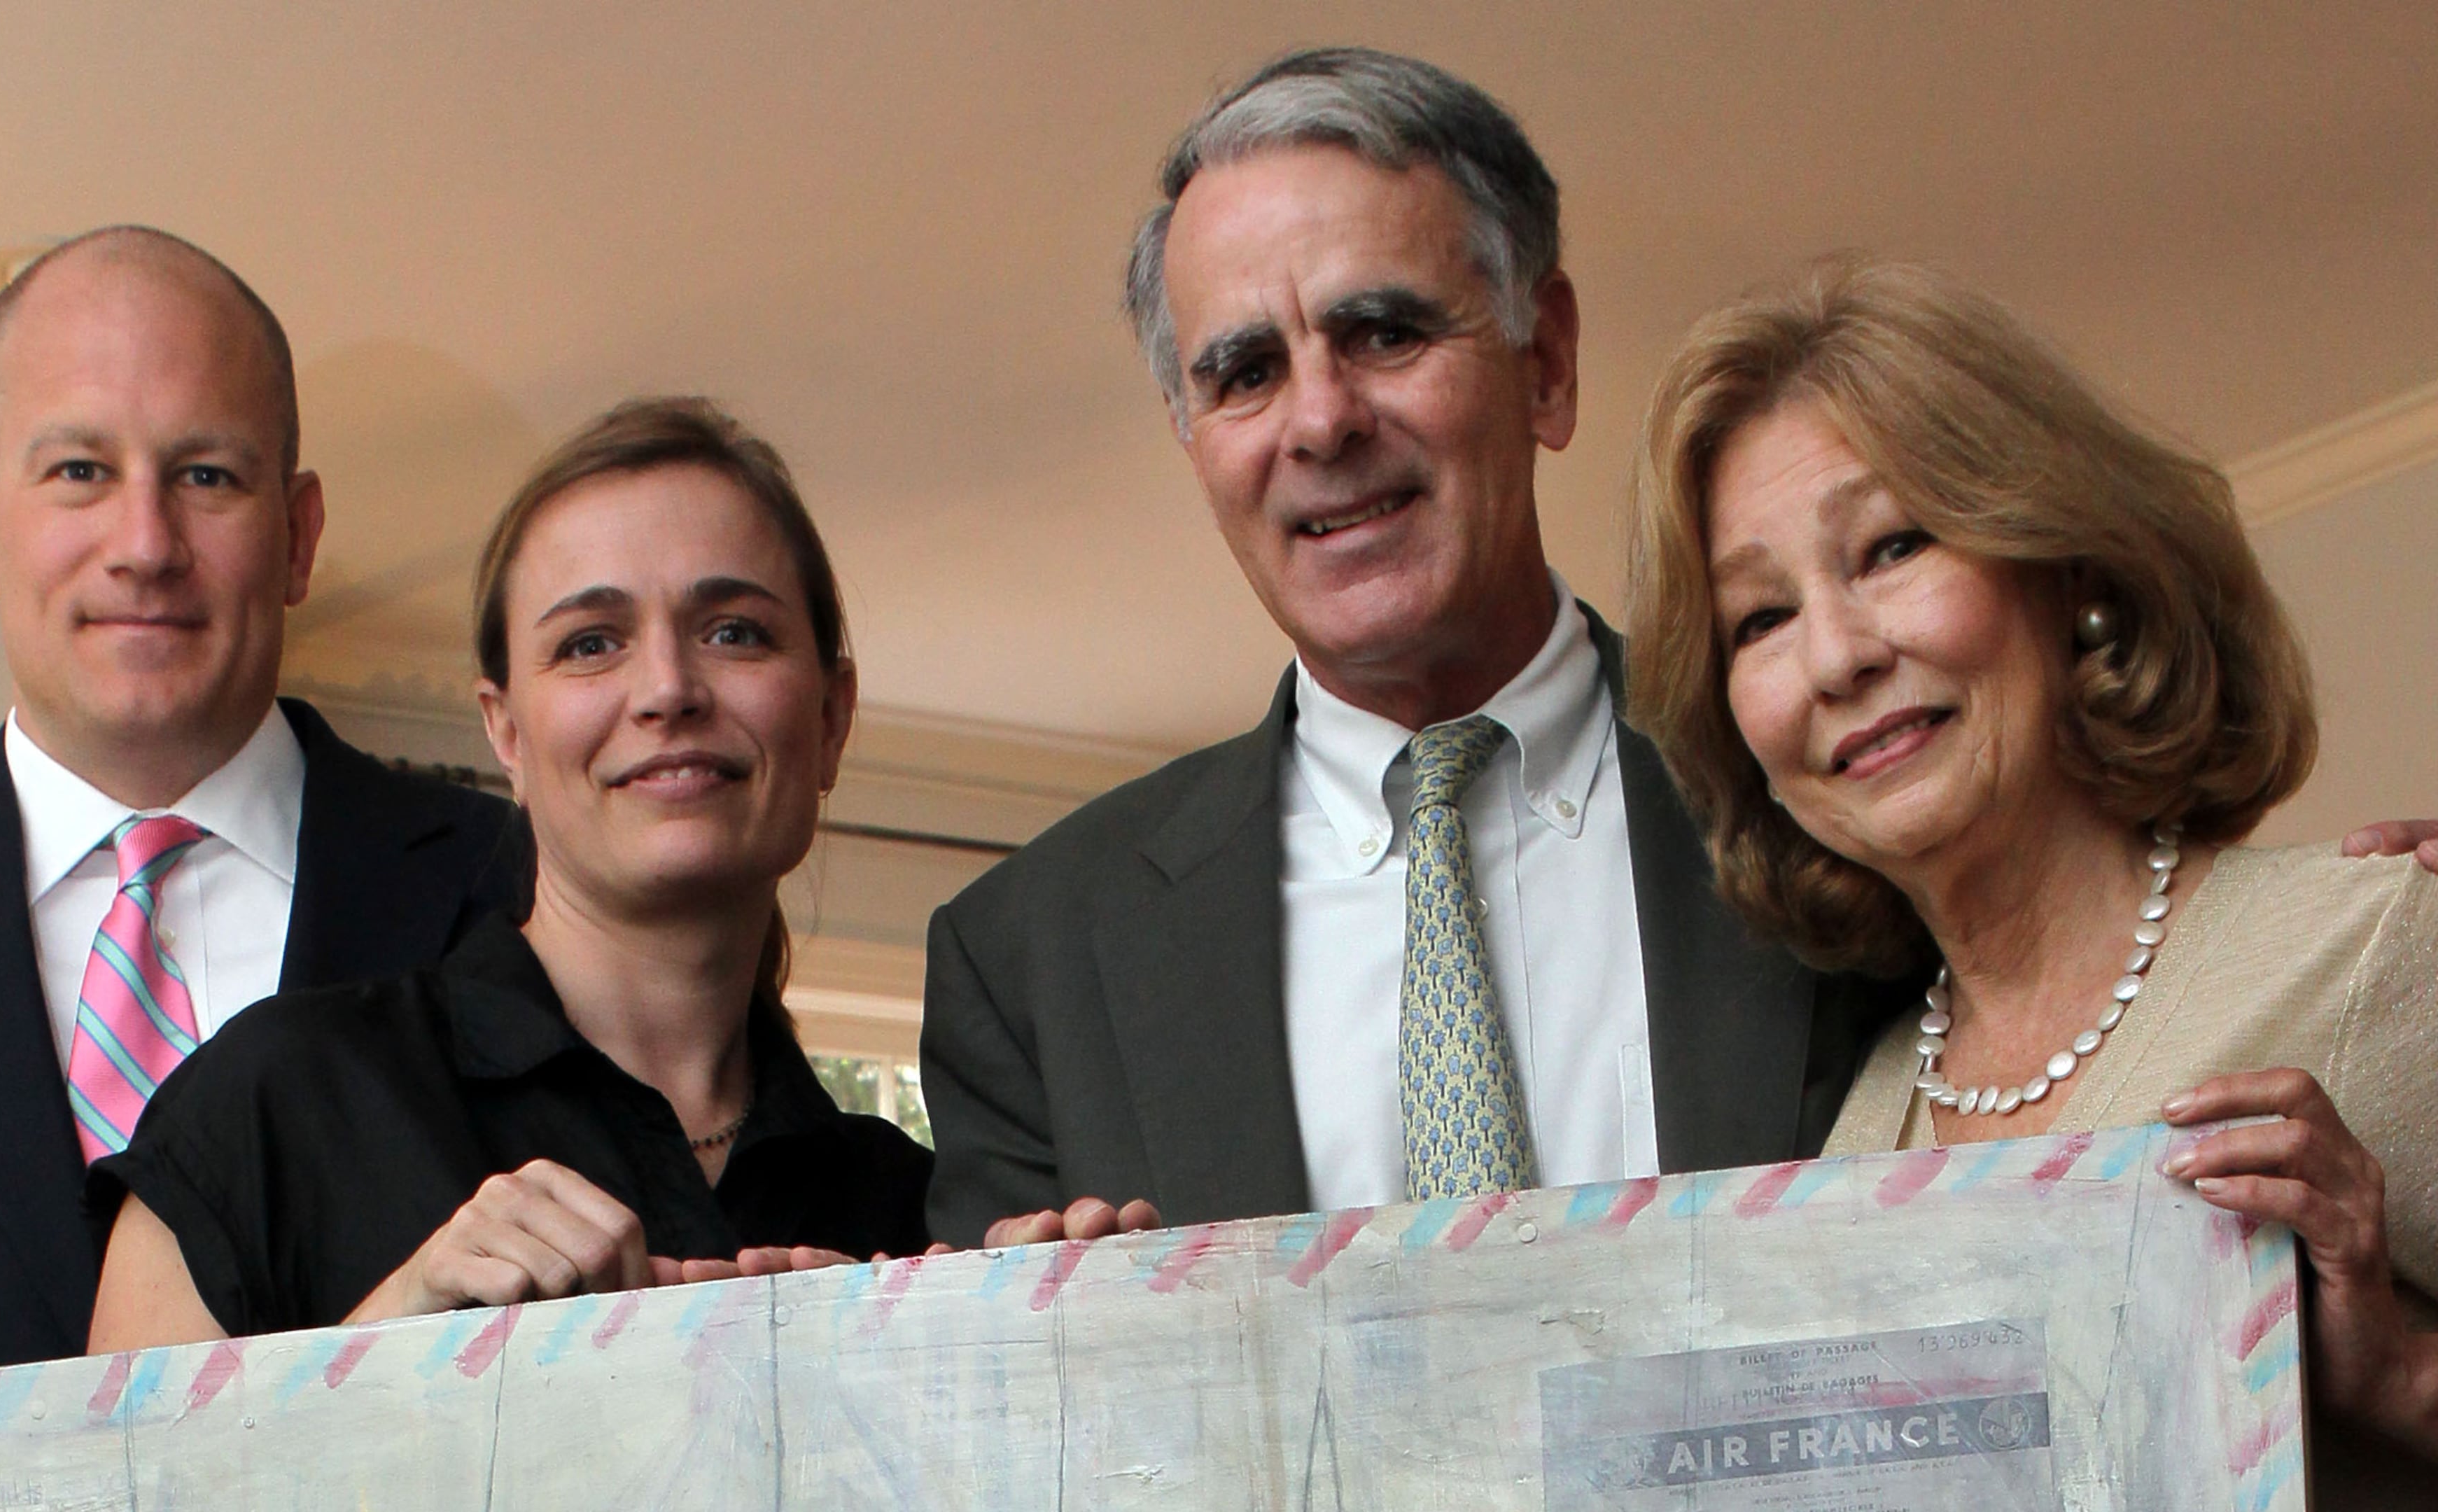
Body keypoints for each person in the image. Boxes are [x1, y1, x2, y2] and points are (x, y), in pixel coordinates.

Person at [918, 48, 1917, 1251]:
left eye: (1384, 332)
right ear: (1193, 443)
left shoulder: (1819, 770)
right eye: (1245, 373)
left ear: (1544, 363)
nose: (1323, 419)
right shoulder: (1032, 956)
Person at [1625, 256, 2437, 1492]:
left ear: (2067, 572)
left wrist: (2397, 1377)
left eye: (1893, 546)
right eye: (1761, 619)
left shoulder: (2377, 937)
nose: (1837, 657)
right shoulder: (1844, 1135)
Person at [0, 227, 521, 1392]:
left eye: (207, 475)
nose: (146, 546)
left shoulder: (516, 893)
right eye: (79, 472)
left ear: (299, 534)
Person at [86, 398, 931, 1348]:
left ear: (830, 718)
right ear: (507, 732)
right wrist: (386, 1349)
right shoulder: (271, 1102)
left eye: (734, 631)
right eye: (591, 643)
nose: (668, 690)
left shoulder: (910, 1215)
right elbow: (79, 1495)